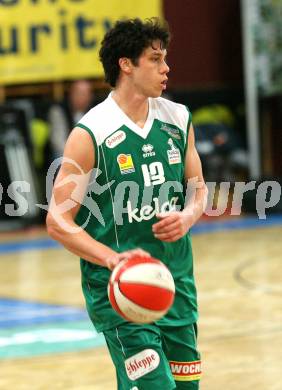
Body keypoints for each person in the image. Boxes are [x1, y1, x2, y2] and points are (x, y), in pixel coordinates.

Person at [46, 18, 207, 390]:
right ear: (126, 64)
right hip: (118, 290)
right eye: (155, 59)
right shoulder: (90, 133)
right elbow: (58, 221)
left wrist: (188, 215)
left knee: (186, 388)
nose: (166, 68)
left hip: (175, 282)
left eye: (165, 58)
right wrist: (111, 258)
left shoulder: (178, 119)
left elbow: (198, 188)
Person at [47, 79, 94, 159]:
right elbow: (58, 142)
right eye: (80, 93)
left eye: (87, 94)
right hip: (66, 155)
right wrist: (77, 156)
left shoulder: (95, 110)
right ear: (71, 94)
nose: (84, 97)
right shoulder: (58, 110)